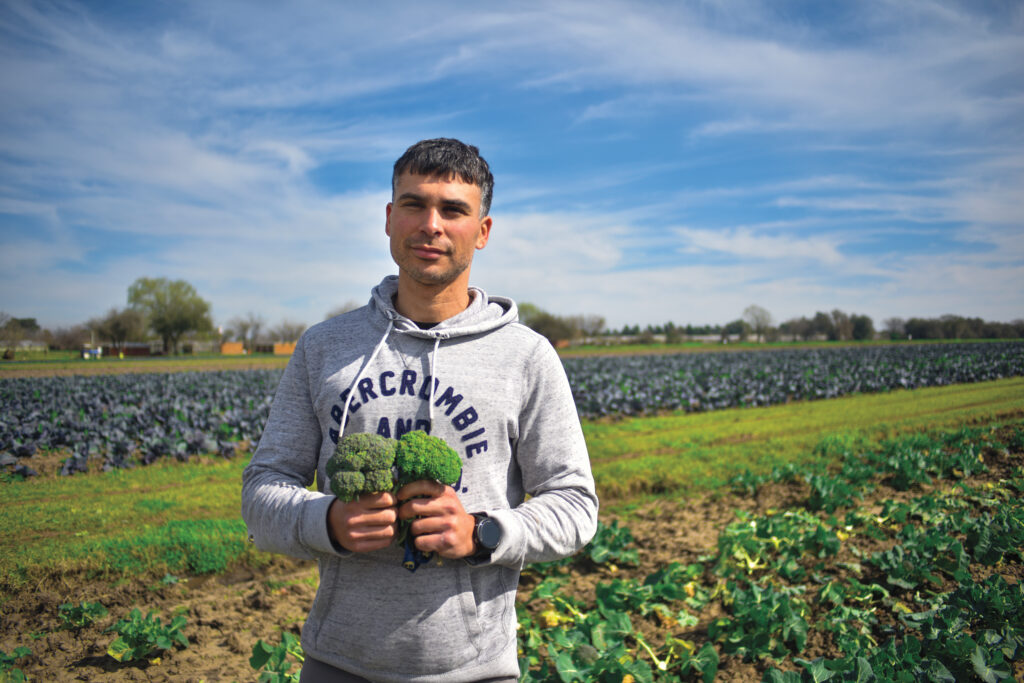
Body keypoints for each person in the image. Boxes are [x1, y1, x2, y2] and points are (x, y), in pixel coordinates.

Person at [242, 138, 599, 682]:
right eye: (414, 204)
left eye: (453, 210)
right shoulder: (324, 347)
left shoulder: (527, 356)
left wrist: (482, 532)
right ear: (389, 219)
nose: (431, 224)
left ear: (482, 231)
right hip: (338, 663)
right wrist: (327, 521)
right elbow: (263, 490)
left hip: (476, 670)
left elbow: (576, 506)